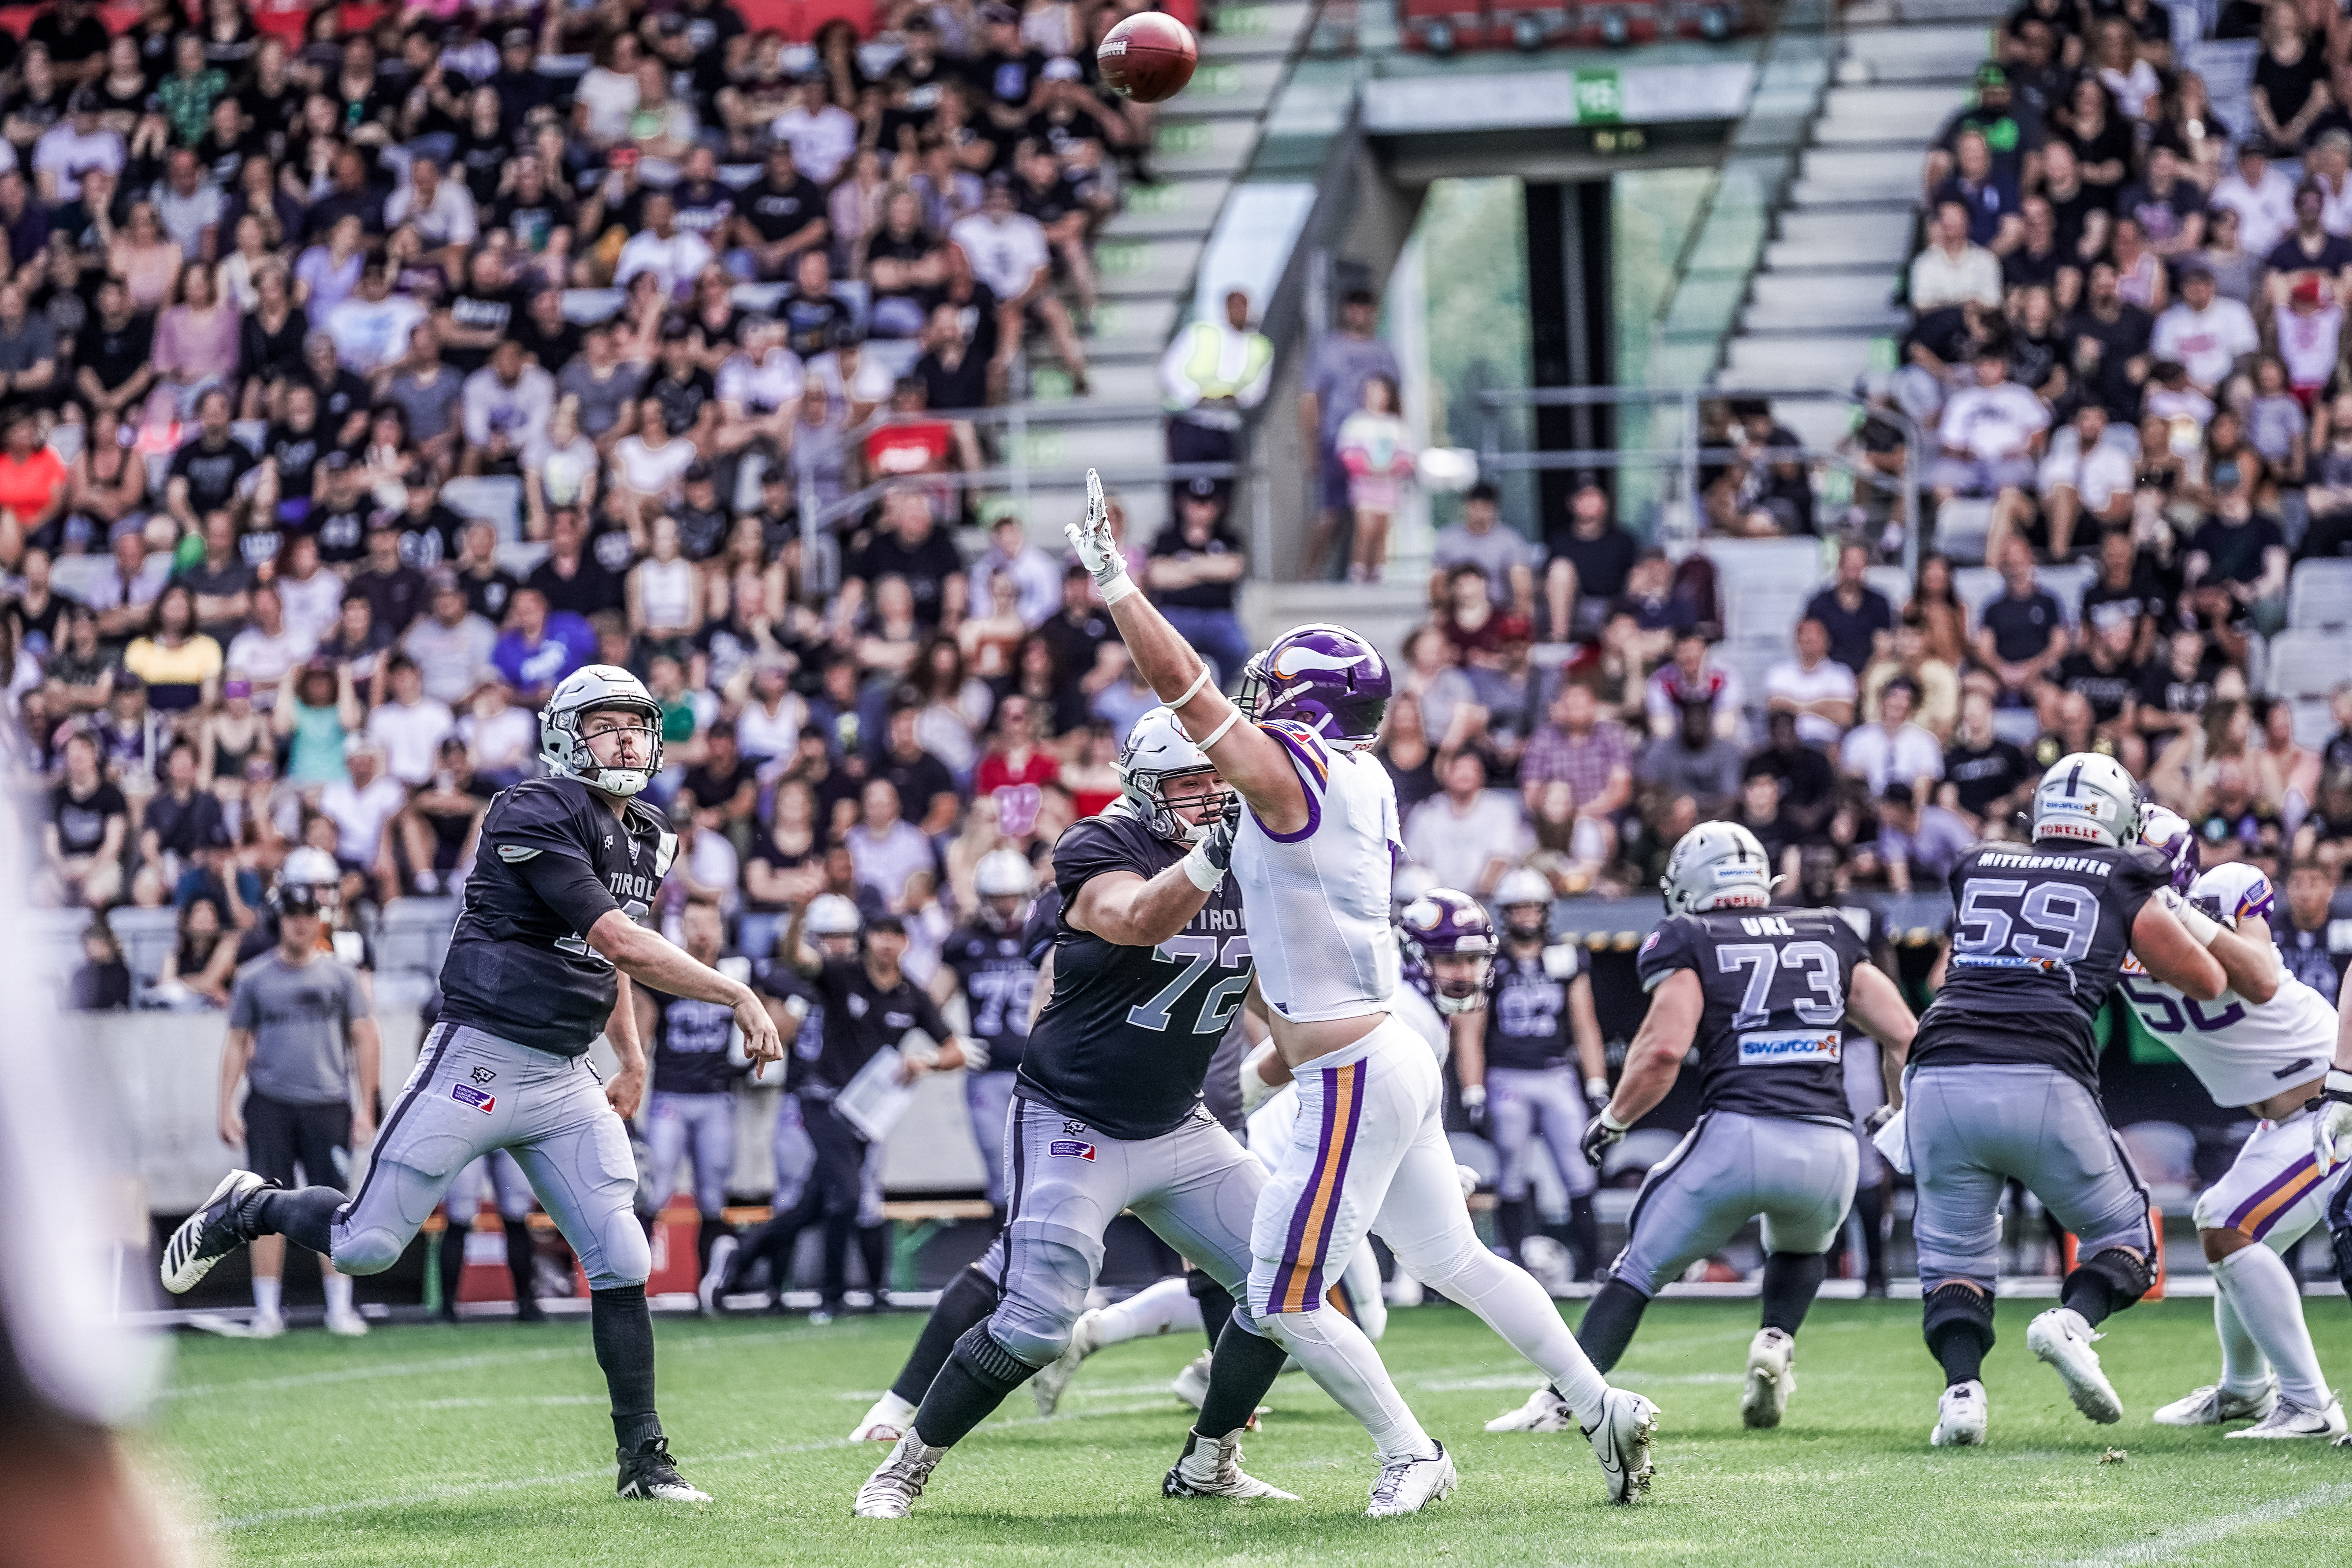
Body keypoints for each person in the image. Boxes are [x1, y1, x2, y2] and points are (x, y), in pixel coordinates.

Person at [1059, 472, 1658, 1513]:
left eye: (1271, 692)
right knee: (1455, 1258)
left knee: (1282, 1292)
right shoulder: (1362, 776)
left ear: (1305, 707)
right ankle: (1598, 1404)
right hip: (1385, 1051)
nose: (1250, 707)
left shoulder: (1299, 777)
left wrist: (1117, 583)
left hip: (1343, 1067)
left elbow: (1183, 690)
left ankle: (1408, 1449)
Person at [159, 664, 788, 1506]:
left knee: (621, 1252)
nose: (627, 739)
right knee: (365, 1242)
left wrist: (631, 1057)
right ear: (566, 734)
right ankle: (251, 1206)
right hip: (478, 1056)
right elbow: (617, 937)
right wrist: (738, 989)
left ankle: (644, 1459)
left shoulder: (649, 831)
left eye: (636, 724)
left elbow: (618, 952)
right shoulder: (533, 808)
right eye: (606, 725)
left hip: (566, 1073)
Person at [847, 707, 1276, 1502]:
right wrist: (1220, 851)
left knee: (1283, 1284)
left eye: (1220, 778)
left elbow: (1278, 1001)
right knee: (1039, 1320)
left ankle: (1207, 1463)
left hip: (1179, 1120)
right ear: (1147, 789)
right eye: (1190, 781)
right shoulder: (1098, 843)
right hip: (1073, 1116)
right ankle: (906, 1465)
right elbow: (1138, 917)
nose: (1212, 794)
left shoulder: (1257, 859)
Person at [1520, 822, 1917, 1434]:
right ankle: (1776, 1337)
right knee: (1799, 1245)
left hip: (1739, 1134)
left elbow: (1660, 1052)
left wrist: (1614, 1120)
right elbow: (1902, 1035)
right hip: (1830, 1146)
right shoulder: (1829, 926)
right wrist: (1893, 1110)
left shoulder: (1688, 934)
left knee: (1639, 1265)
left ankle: (1560, 1399)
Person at [1883, 753, 2226, 1448]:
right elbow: (2207, 979)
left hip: (1939, 1070)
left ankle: (1961, 1397)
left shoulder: (1979, 862)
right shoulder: (2124, 873)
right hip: (2040, 1070)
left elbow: (1972, 959)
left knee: (1953, 1260)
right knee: (2129, 1240)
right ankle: (2070, 1321)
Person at [2119, 811, 2346, 1439]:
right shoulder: (2111, 930)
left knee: (2229, 1223)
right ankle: (2246, 1390)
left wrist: (2176, 910)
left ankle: (2307, 1404)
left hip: (2331, 1104)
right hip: (2281, 1117)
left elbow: (2261, 974)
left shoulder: (2221, 893)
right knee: (2228, 1224)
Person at [215, 863, 381, 1339]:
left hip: (329, 1103)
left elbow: (365, 1038)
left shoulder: (342, 977)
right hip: (268, 1103)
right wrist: (225, 1106)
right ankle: (267, 1311)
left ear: (321, 919)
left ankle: (340, 1310)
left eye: (309, 914)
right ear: (279, 920)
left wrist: (366, 1105)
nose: (301, 923)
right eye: (292, 914)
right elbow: (237, 1042)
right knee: (262, 1205)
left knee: (334, 1207)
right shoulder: (252, 978)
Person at [1460, 868, 1608, 1287]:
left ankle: (1592, 1265)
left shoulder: (1565, 956)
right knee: (1511, 1171)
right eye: (1518, 907)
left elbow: (1586, 1026)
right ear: (1504, 914)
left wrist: (1596, 1084)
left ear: (1546, 911)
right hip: (1508, 1076)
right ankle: (1518, 1270)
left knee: (1578, 1170)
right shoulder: (1490, 960)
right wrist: (1473, 1090)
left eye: (1532, 906)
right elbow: (1470, 1030)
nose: (1526, 915)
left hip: (1556, 1073)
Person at [634, 898, 749, 1298]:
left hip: (718, 1098)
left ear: (721, 928)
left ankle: (710, 1290)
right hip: (672, 1096)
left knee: (713, 1197)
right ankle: (632, 1288)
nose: (702, 931)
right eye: (693, 922)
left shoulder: (738, 972)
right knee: (655, 1192)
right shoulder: (668, 972)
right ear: (681, 928)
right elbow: (641, 1032)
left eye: (709, 923)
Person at [936, 848, 1039, 1224]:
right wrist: (952, 1041)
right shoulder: (964, 942)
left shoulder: (1046, 936)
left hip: (1042, 1075)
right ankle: (1004, 1264)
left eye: (1011, 896)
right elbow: (930, 1003)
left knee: (1047, 1173)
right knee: (1002, 1175)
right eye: (997, 897)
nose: (1006, 906)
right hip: (989, 1073)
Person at [1158, 288, 1271, 506]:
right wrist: (1196, 396)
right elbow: (1169, 371)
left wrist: (1230, 398)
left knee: (1221, 493)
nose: (1240, 312)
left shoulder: (1260, 346)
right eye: (1235, 305)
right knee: (1185, 491)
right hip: (1190, 424)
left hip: (1225, 427)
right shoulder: (1200, 334)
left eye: (1244, 306)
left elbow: (1256, 391)